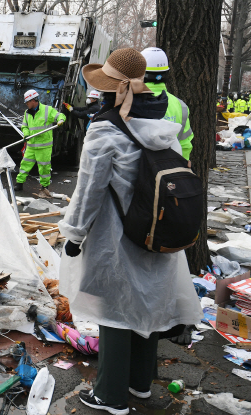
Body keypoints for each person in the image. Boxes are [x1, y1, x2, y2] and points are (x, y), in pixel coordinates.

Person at [58, 48, 202, 415]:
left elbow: (88, 192)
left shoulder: (106, 129)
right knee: (148, 305)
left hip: (117, 238)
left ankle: (110, 395)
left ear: (112, 90)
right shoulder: (162, 123)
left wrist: (74, 236)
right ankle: (140, 383)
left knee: (114, 312)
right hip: (159, 234)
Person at [141, 47, 193, 160]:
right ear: (167, 73)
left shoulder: (129, 102)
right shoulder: (181, 106)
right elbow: (185, 145)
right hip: (169, 170)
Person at [14, 89, 66, 194]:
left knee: (44, 167)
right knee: (25, 165)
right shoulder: (27, 113)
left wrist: (61, 120)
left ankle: (44, 186)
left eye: (27, 102)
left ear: (33, 100)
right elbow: (24, 126)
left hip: (44, 146)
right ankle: (19, 183)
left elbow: (60, 115)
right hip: (31, 145)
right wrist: (26, 134)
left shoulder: (47, 110)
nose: (26, 104)